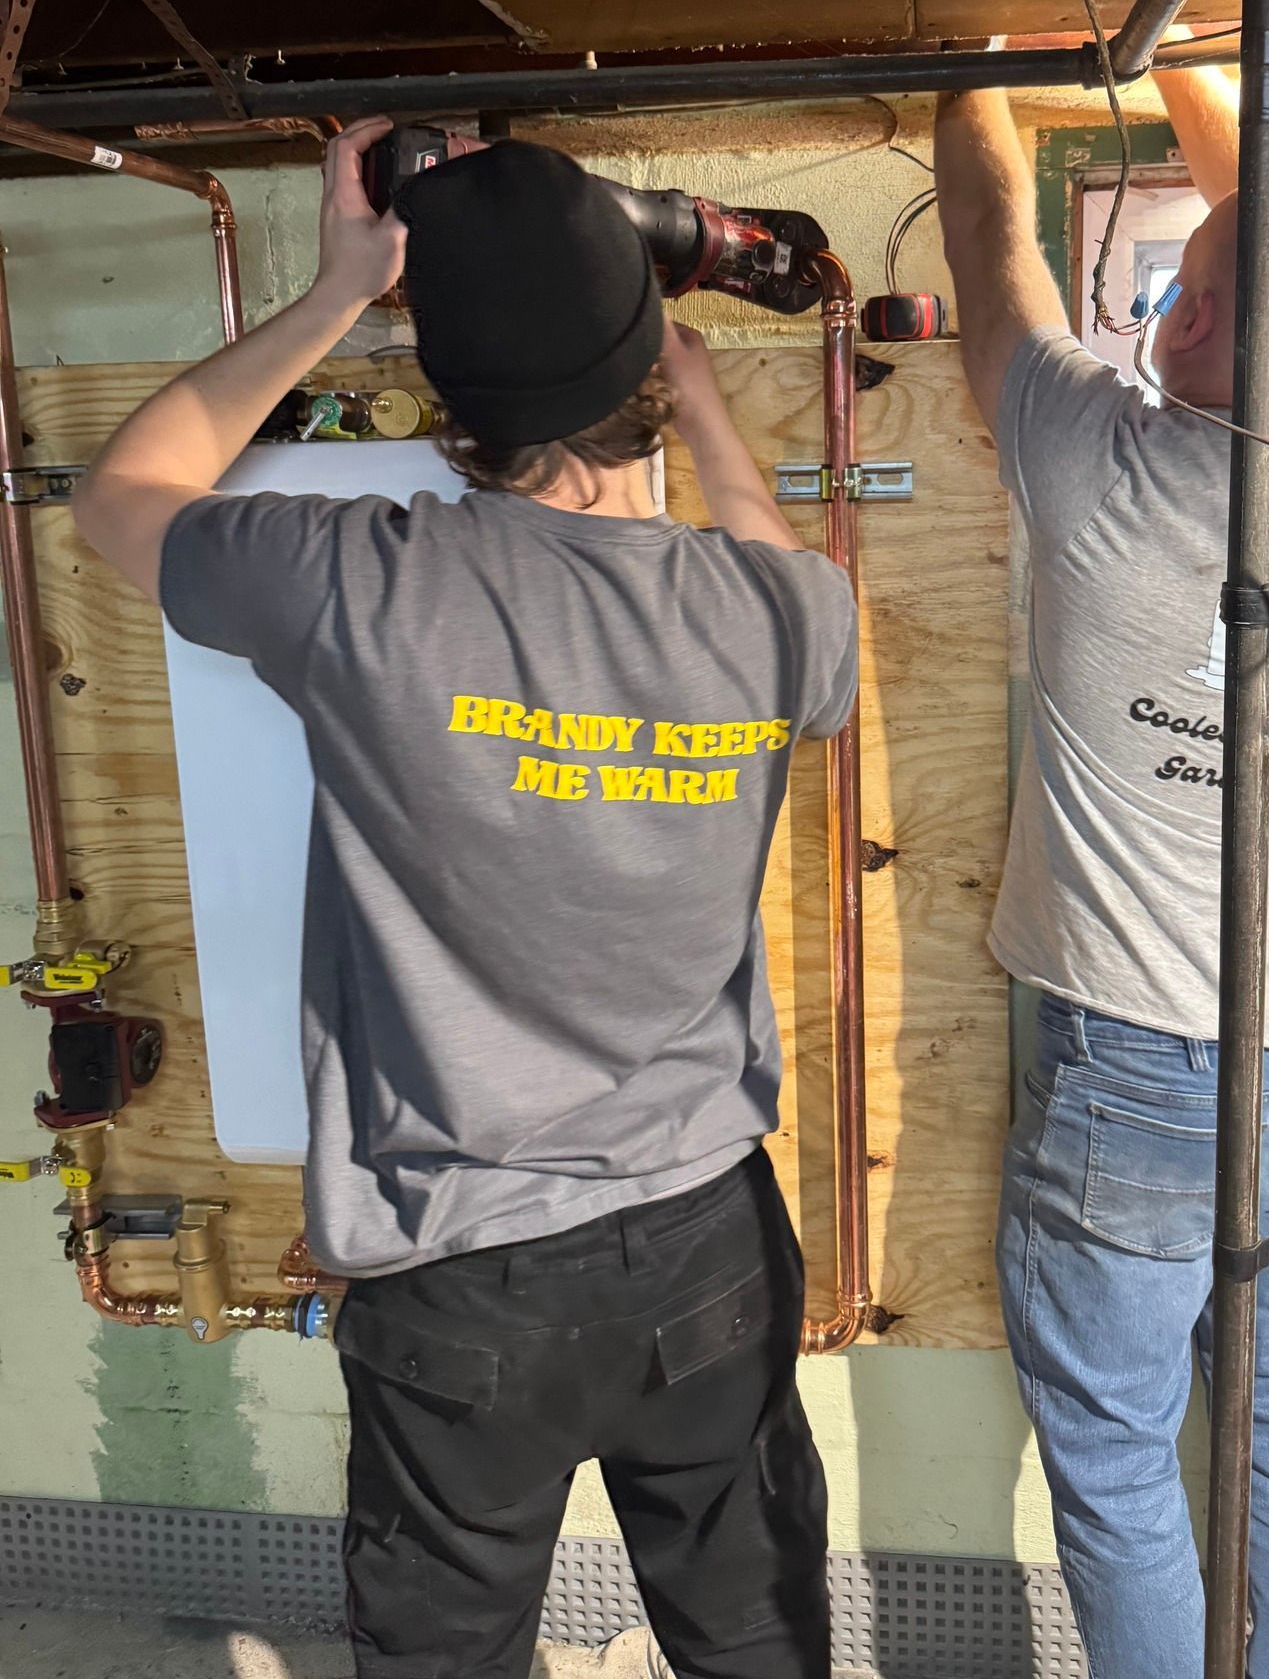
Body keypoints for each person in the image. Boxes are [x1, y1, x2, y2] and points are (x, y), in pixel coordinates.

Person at [74, 122, 859, 1679]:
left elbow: (124, 494)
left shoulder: (360, 582)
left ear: (457, 402)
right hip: (705, 1231)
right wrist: (707, 411)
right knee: (755, 1633)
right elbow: (790, 587)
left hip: (462, 1263)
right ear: (647, 359)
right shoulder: (780, 615)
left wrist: (326, 297)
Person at [934, 72, 1269, 1679]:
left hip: (1142, 1054)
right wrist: (1196, 71)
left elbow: (995, 267)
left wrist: (966, 86)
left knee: (1124, 1447)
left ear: (1199, 320)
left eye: (1184, 294)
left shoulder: (1098, 466)